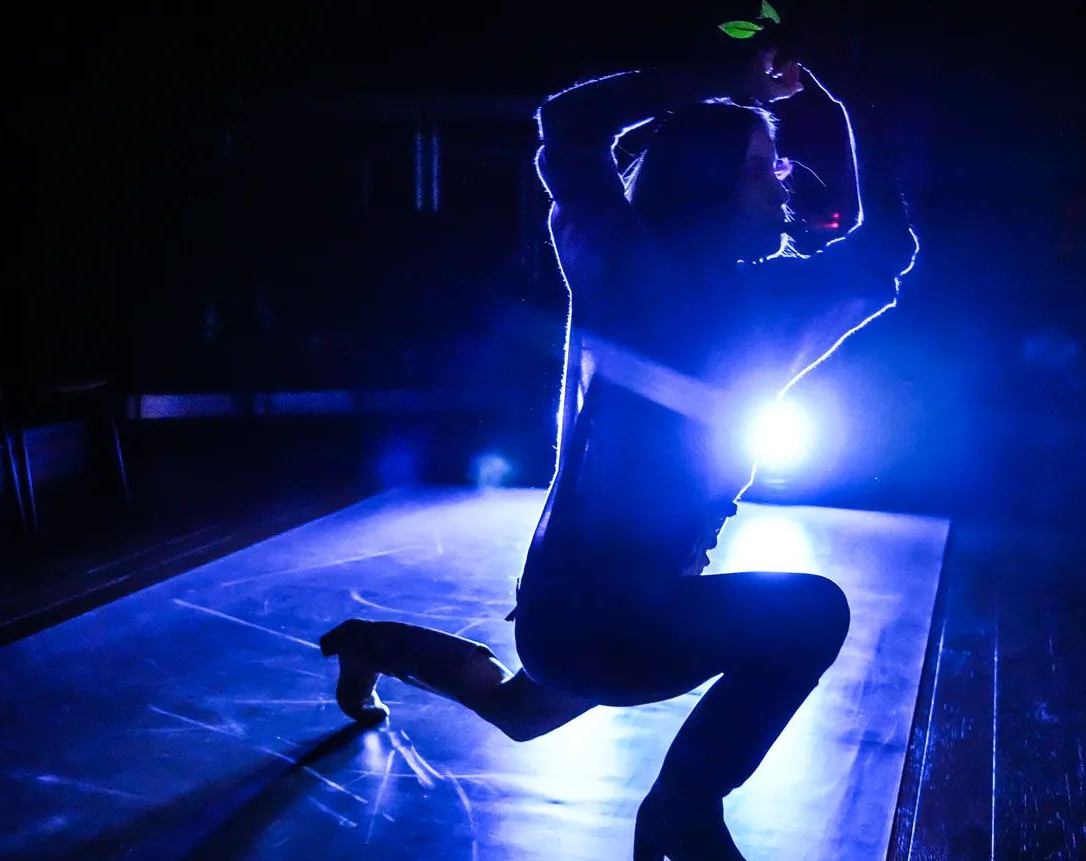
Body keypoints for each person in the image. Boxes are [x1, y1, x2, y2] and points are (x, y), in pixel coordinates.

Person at [320, 45, 915, 860]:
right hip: (622, 625)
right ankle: (682, 807)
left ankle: (371, 643)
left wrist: (730, 85)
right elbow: (888, 251)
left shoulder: (621, 262)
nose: (784, 177)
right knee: (812, 611)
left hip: (566, 611)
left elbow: (568, 130)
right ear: (709, 179)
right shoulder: (687, 279)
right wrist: (837, 107)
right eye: (765, 161)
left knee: (522, 708)